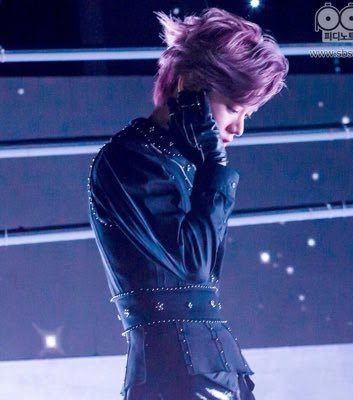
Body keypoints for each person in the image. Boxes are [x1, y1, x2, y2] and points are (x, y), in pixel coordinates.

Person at [87, 7, 288, 400]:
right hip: (175, 374)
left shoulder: (182, 164)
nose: (239, 128)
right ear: (190, 86)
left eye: (248, 114)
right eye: (234, 108)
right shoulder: (131, 158)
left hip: (213, 367)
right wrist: (214, 166)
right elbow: (192, 264)